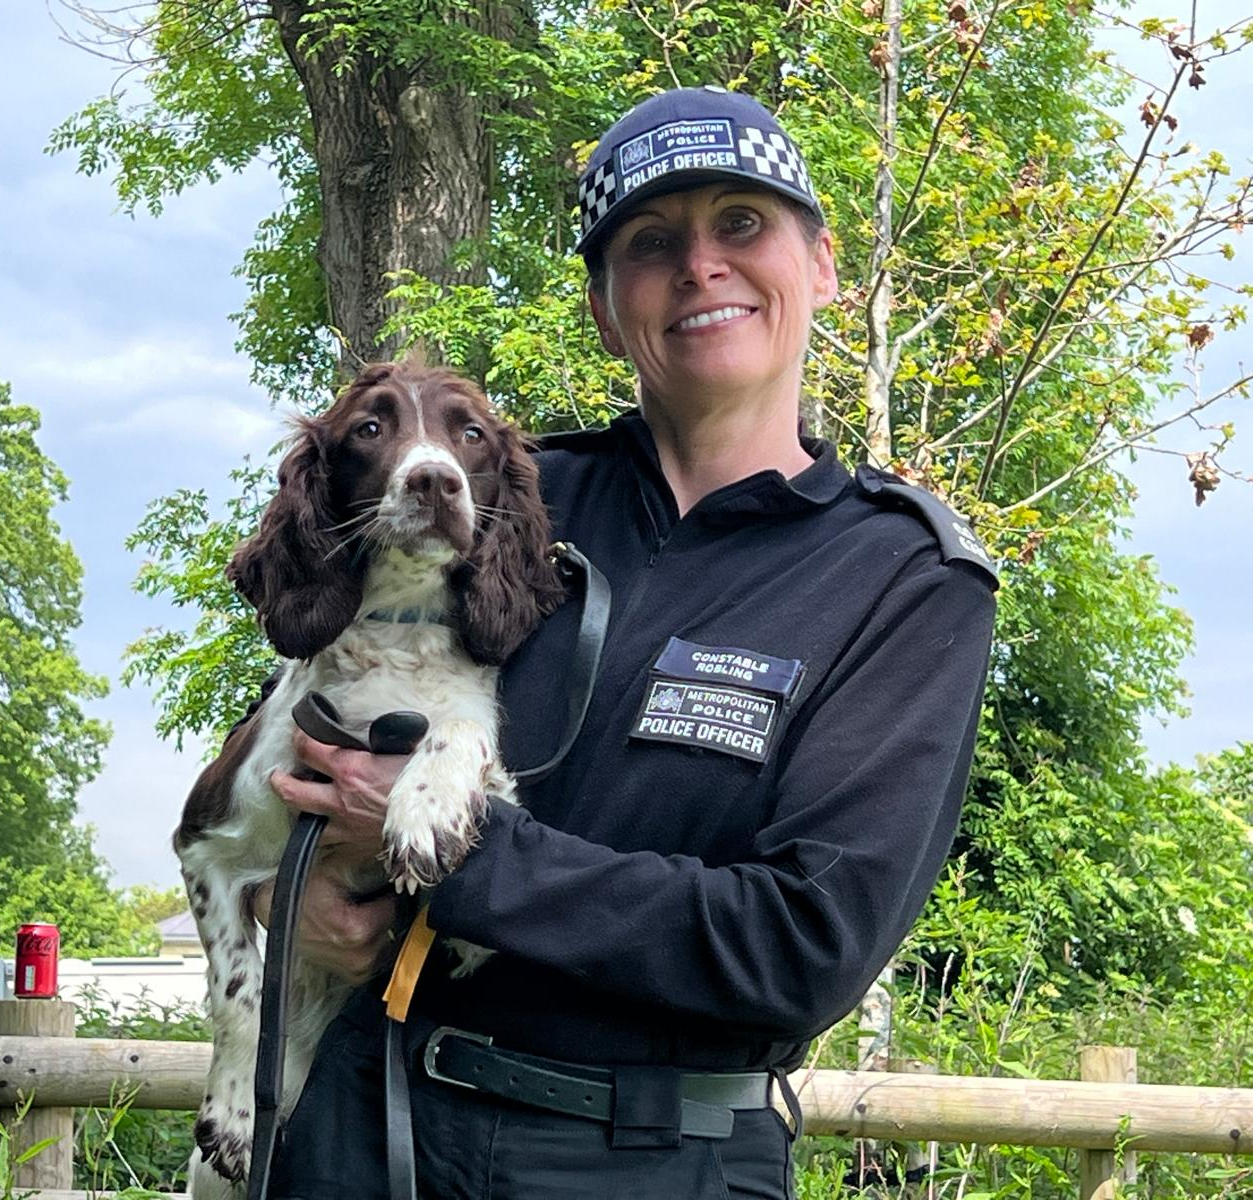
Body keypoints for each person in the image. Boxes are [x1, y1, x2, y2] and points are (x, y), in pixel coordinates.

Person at [256, 86, 998, 1199]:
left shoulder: (905, 579)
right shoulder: (503, 499)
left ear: (823, 266)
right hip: (375, 1120)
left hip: (659, 1156)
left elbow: (803, 944)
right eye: (652, 243)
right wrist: (289, 894)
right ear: (607, 311)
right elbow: (293, 746)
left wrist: (461, 860)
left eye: (740, 224)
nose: (701, 265)